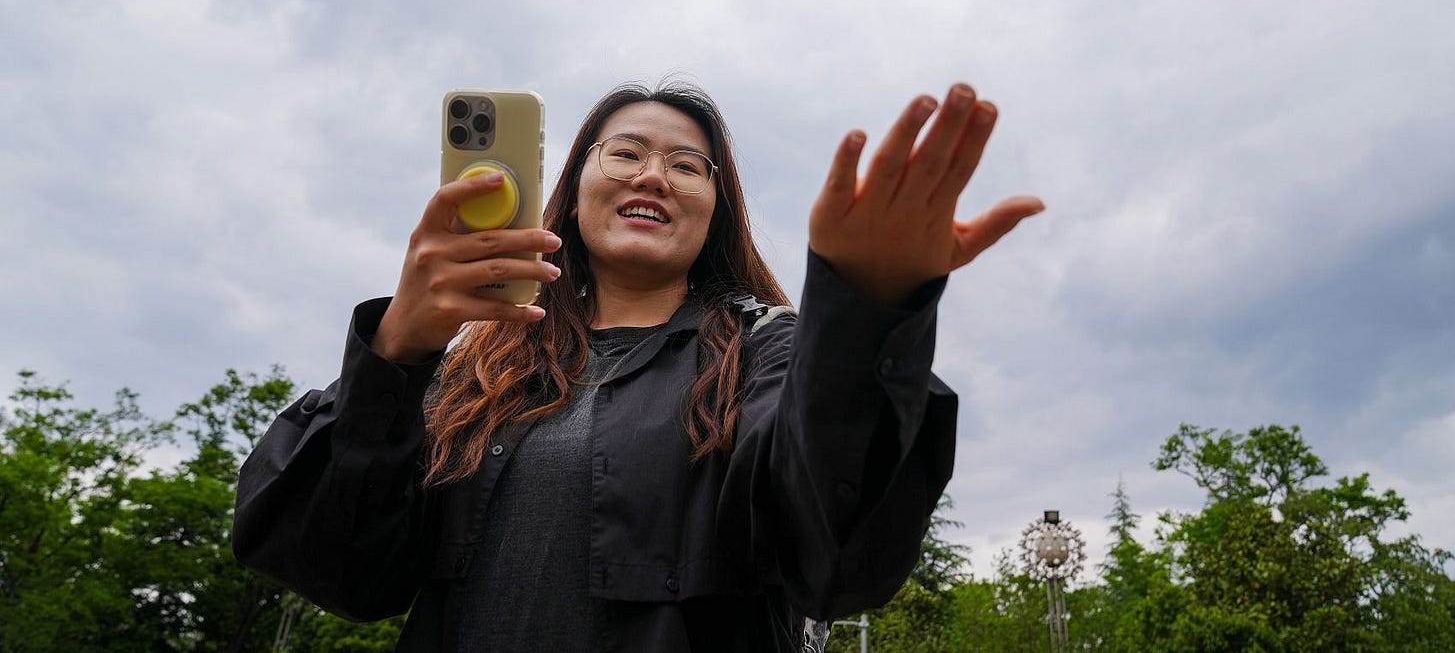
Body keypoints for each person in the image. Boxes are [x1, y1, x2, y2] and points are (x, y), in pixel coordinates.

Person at [233, 80, 1043, 653]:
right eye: (626, 153)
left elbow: (835, 557)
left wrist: (866, 310)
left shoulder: (767, 352)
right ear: (575, 186)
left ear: (715, 208)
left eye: (688, 166)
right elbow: (342, 574)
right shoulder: (470, 376)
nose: (655, 174)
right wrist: (397, 352)